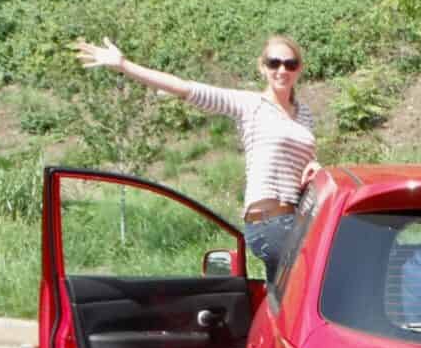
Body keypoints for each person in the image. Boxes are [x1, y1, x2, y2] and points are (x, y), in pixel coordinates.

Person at [72, 35, 321, 279]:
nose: (282, 70)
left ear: (299, 70)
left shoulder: (304, 115)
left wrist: (314, 168)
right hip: (269, 224)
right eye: (274, 63)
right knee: (314, 283)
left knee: (290, 305)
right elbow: (185, 88)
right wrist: (124, 65)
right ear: (262, 67)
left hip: (297, 221)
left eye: (290, 64)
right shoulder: (250, 105)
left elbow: (306, 166)